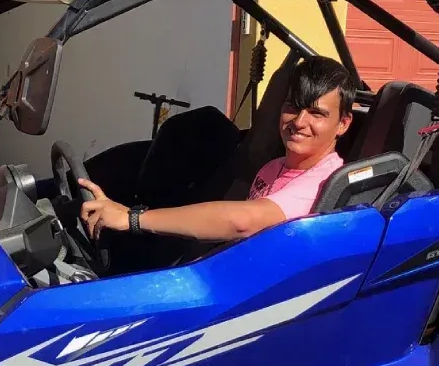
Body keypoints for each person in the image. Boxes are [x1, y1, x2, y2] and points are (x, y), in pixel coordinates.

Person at [78, 55, 354, 244]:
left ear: (342, 123)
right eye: (292, 107)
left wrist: (132, 218)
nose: (299, 122)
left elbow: (241, 221)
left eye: (317, 114)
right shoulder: (273, 166)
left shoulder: (322, 183)